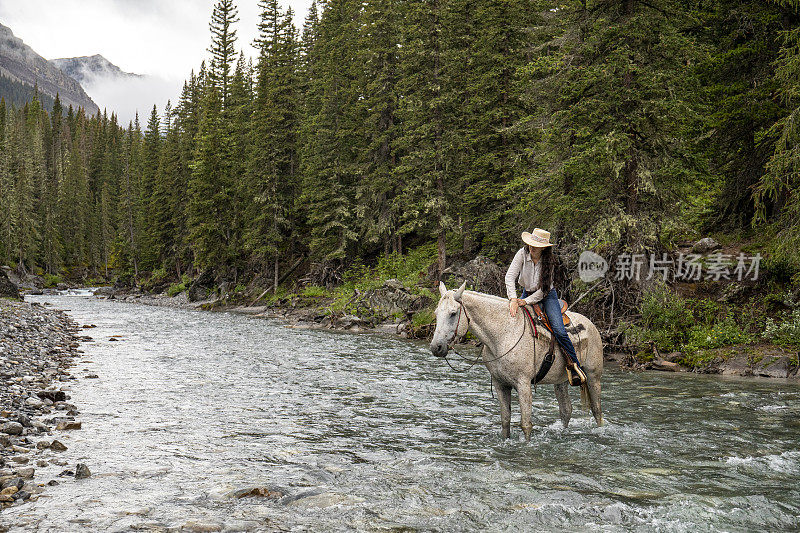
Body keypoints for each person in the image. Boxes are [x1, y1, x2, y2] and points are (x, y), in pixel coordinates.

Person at [504, 228, 586, 385]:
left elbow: (543, 291)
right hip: (526, 292)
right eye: (530, 244)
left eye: (535, 245)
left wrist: (526, 302)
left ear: (544, 248)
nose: (531, 247)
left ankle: (575, 365)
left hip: (547, 295)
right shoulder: (522, 254)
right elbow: (510, 276)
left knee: (559, 330)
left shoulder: (550, 261)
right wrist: (513, 299)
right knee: (511, 321)